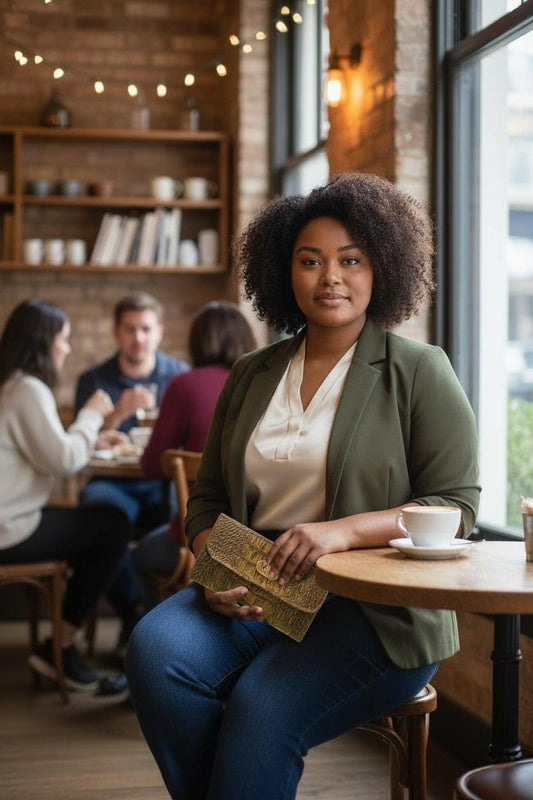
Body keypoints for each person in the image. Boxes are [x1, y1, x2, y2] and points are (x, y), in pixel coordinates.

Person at [126, 172, 481, 800]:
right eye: (310, 261)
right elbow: (207, 498)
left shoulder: (420, 370)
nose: (330, 278)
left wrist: (341, 533)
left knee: (262, 708)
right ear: (283, 272)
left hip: (374, 608)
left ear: (382, 268)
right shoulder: (250, 374)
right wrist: (214, 566)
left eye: (351, 260)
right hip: (262, 587)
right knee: (155, 652)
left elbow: (456, 507)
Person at [0, 299, 131, 694]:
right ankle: (61, 645)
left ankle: (61, 640)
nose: (67, 348)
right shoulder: (28, 389)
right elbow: (63, 461)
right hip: (9, 529)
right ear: (44, 342)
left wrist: (91, 441)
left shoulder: (12, 385)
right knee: (112, 526)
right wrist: (91, 413)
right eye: (63, 339)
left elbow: (50, 451)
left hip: (10, 520)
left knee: (97, 523)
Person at [75, 291, 190, 651]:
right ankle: (135, 612)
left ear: (159, 332)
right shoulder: (94, 379)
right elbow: (80, 444)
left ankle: (161, 624)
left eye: (145, 329)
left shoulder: (178, 376)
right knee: (100, 519)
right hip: (112, 482)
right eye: (129, 329)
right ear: (116, 333)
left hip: (162, 482)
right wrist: (116, 415)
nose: (138, 338)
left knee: (183, 518)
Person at [132, 301, 257, 610]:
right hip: (260, 537)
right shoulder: (261, 383)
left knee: (141, 555)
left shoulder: (184, 384)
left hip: (199, 537)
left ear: (198, 340)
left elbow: (151, 465)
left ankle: (142, 626)